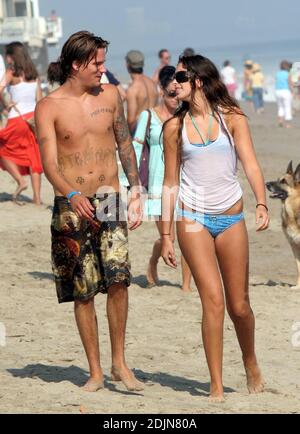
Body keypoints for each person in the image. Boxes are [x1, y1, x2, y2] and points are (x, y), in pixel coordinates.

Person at [35, 31, 144, 392]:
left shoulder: (111, 95)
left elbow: (124, 144)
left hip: (111, 196)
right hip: (71, 204)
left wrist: (136, 188)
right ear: (77, 64)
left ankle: (119, 364)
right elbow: (49, 162)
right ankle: (95, 371)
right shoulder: (49, 106)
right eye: (97, 63)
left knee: (119, 281)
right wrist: (70, 192)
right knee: (83, 290)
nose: (103, 69)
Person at [161, 55, 269, 402]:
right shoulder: (174, 128)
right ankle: (216, 384)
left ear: (199, 81)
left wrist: (262, 202)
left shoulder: (232, 119)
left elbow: (250, 162)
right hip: (192, 219)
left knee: (239, 306)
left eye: (180, 76)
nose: (173, 82)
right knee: (212, 300)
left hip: (231, 217)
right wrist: (165, 235)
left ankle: (250, 361)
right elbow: (170, 183)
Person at [132, 65, 192, 291]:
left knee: (188, 236)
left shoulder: (185, 117)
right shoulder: (148, 116)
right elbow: (135, 149)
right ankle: (153, 261)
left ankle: (186, 285)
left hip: (183, 181)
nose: (175, 99)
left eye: (178, 94)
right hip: (158, 184)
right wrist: (134, 184)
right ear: (162, 91)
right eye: (170, 94)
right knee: (170, 236)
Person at [0, 42, 43, 204]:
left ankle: (20, 181)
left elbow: (0, 89)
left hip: (17, 119)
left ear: (11, 56)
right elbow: (40, 100)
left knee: (3, 151)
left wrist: (6, 104)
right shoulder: (34, 74)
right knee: (34, 158)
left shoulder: (12, 72)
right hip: (32, 119)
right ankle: (37, 198)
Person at [125, 50, 158, 135]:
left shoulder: (133, 89)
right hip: (154, 129)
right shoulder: (152, 83)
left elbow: (131, 120)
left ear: (127, 65)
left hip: (141, 133)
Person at [275, 60, 293, 128]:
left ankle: (280, 121)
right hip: (286, 91)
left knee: (280, 107)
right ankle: (288, 124)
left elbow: (276, 82)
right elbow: (290, 83)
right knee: (287, 107)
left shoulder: (277, 74)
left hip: (277, 91)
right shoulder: (287, 74)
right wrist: (292, 92)